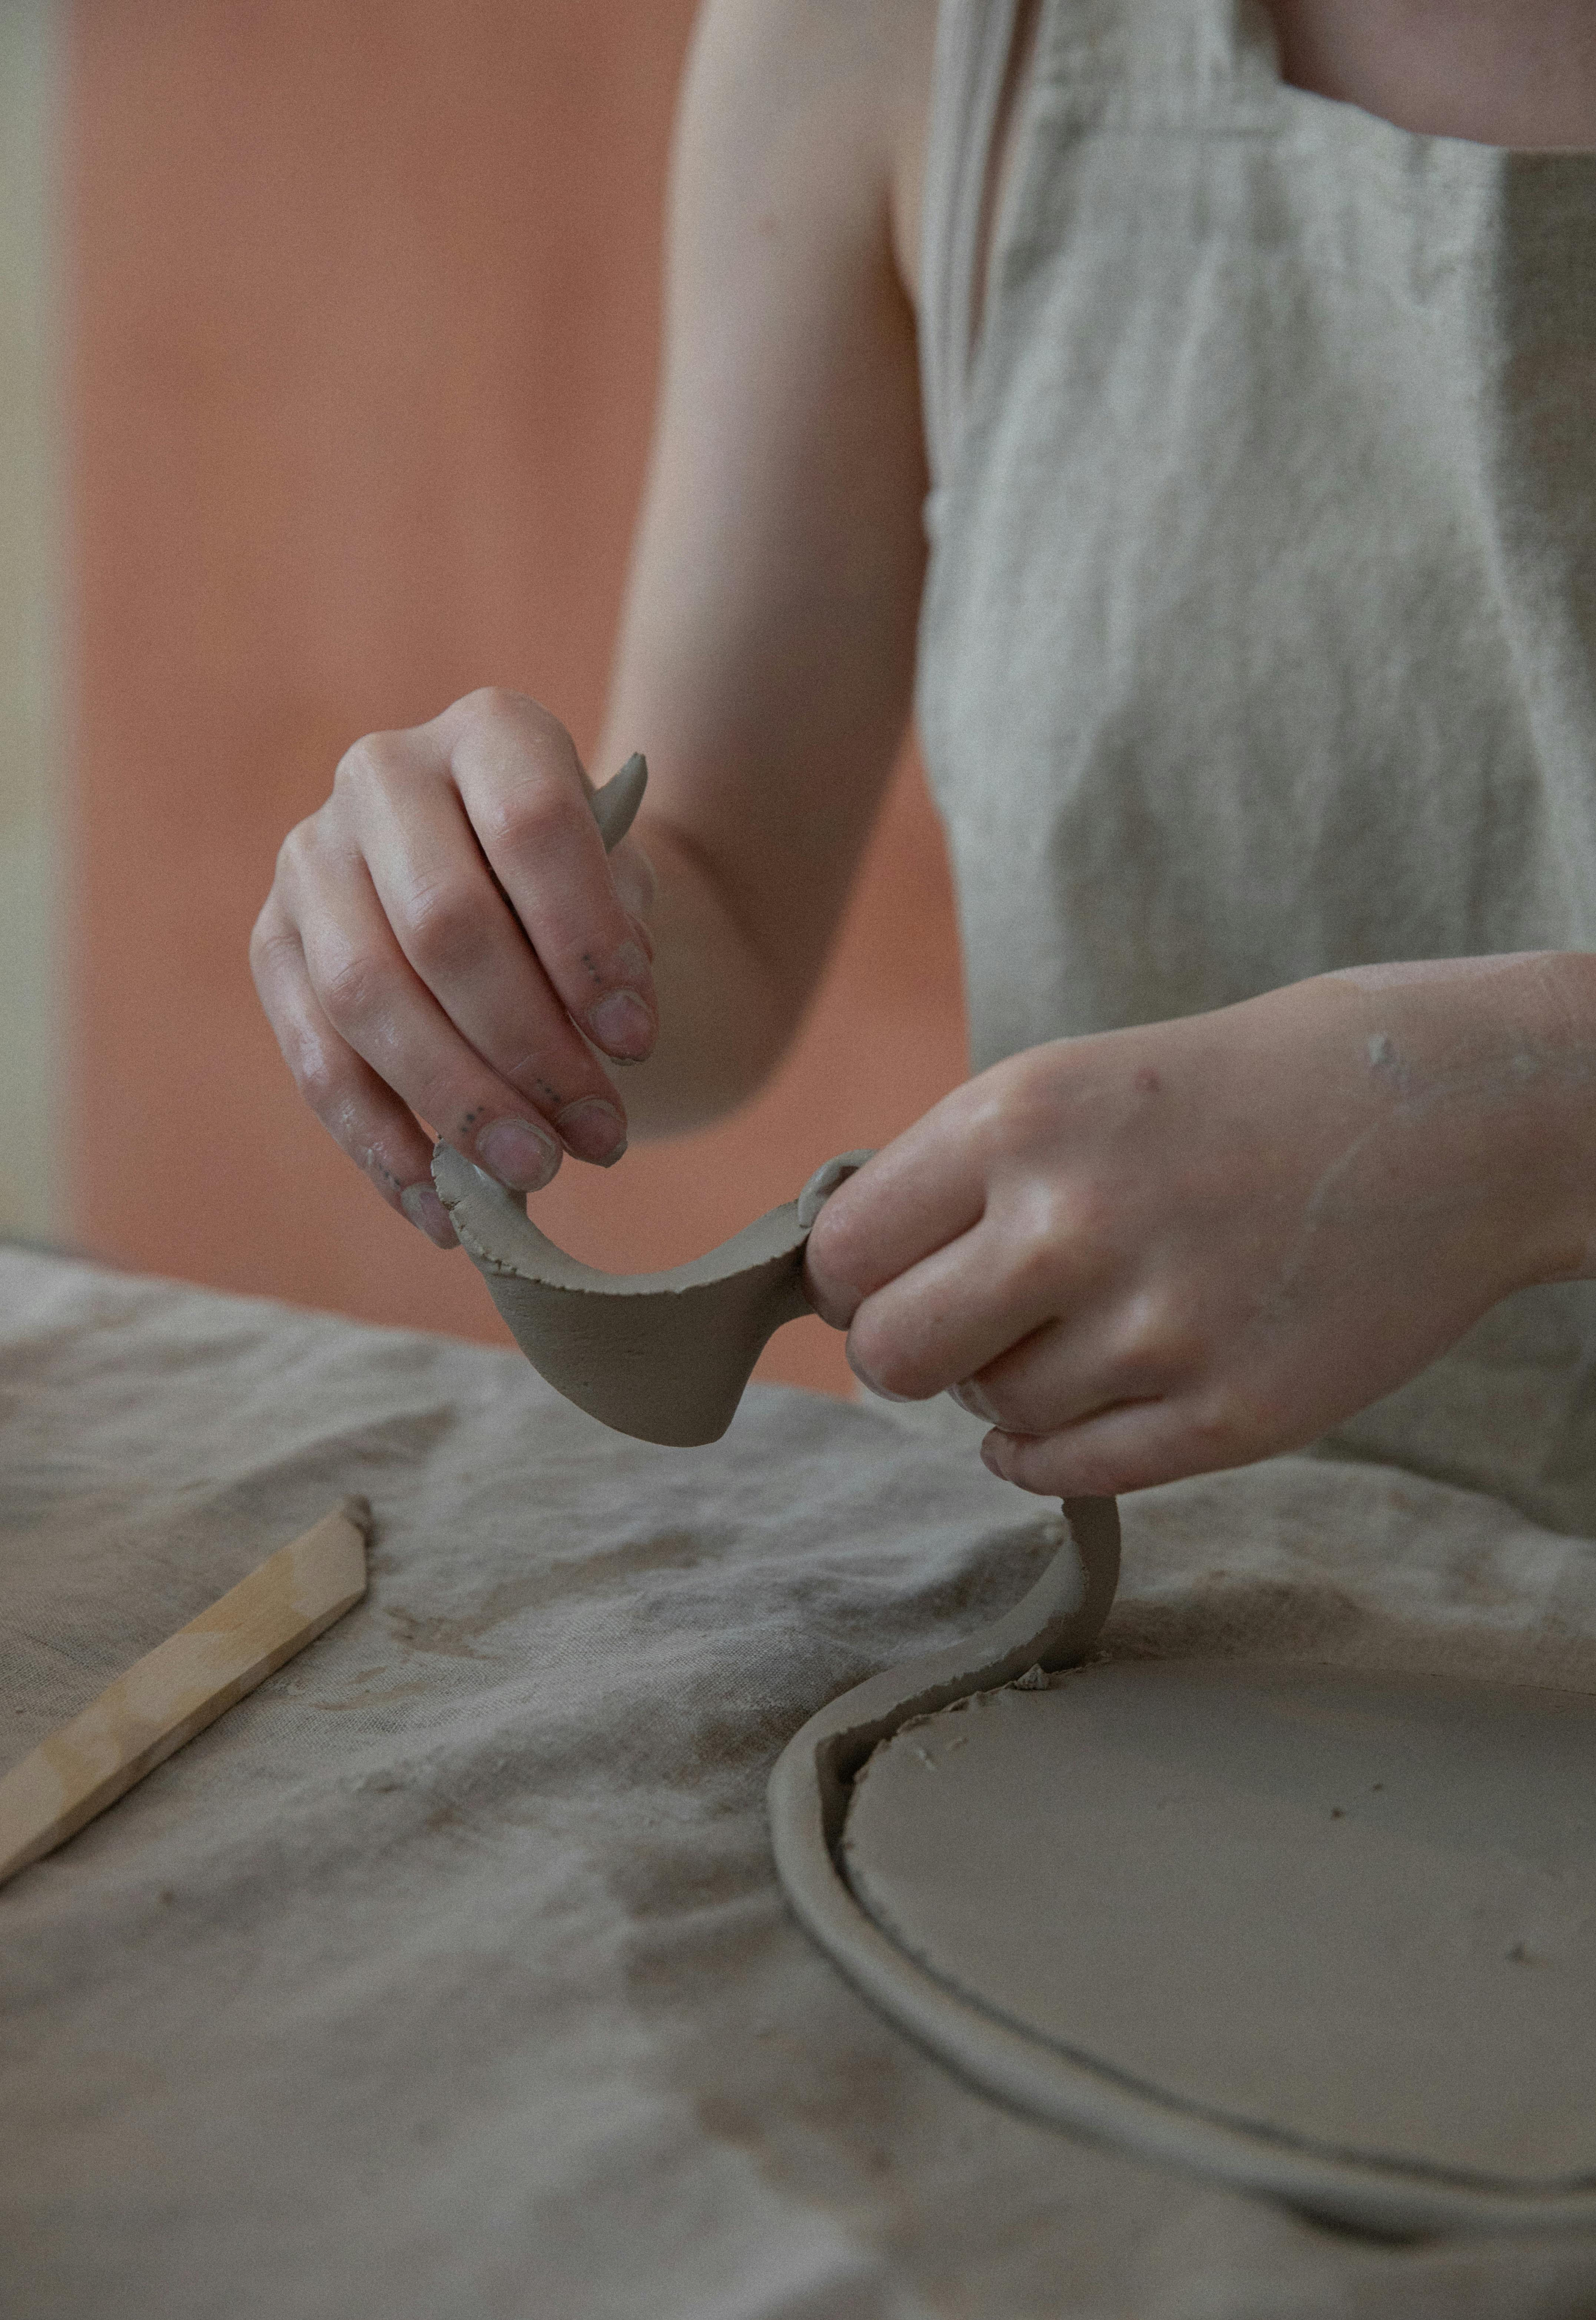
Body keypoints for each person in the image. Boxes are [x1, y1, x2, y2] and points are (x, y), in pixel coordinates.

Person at [251, 0, 1596, 1530]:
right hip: (1181, 1609)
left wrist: (1522, 1112)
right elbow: (720, 898)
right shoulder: (880, 32)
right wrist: (505, 923)